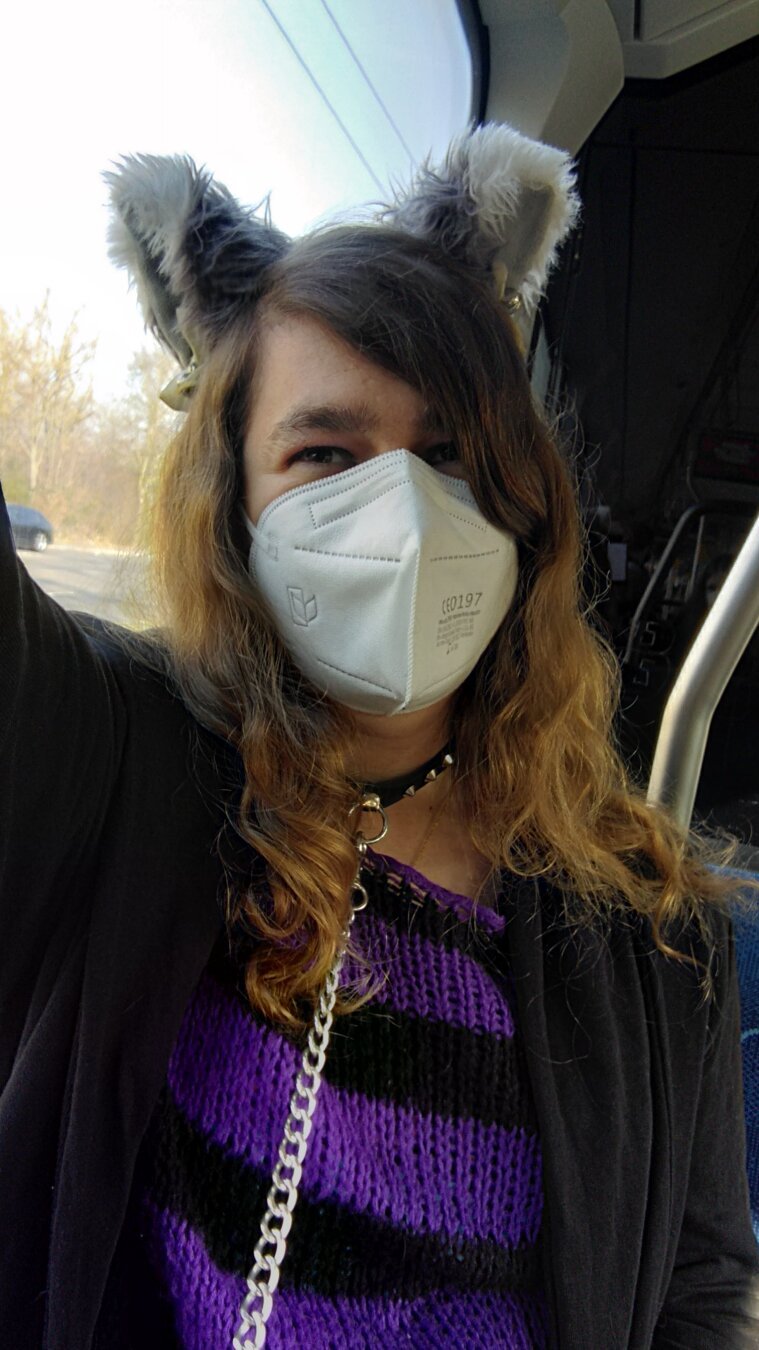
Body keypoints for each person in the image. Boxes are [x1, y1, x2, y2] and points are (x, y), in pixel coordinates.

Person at [1, 123, 757, 1350]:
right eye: (324, 454)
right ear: (233, 506)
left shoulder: (657, 930)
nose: (404, 517)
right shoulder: (122, 770)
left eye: (452, 456)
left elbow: (704, 1282)